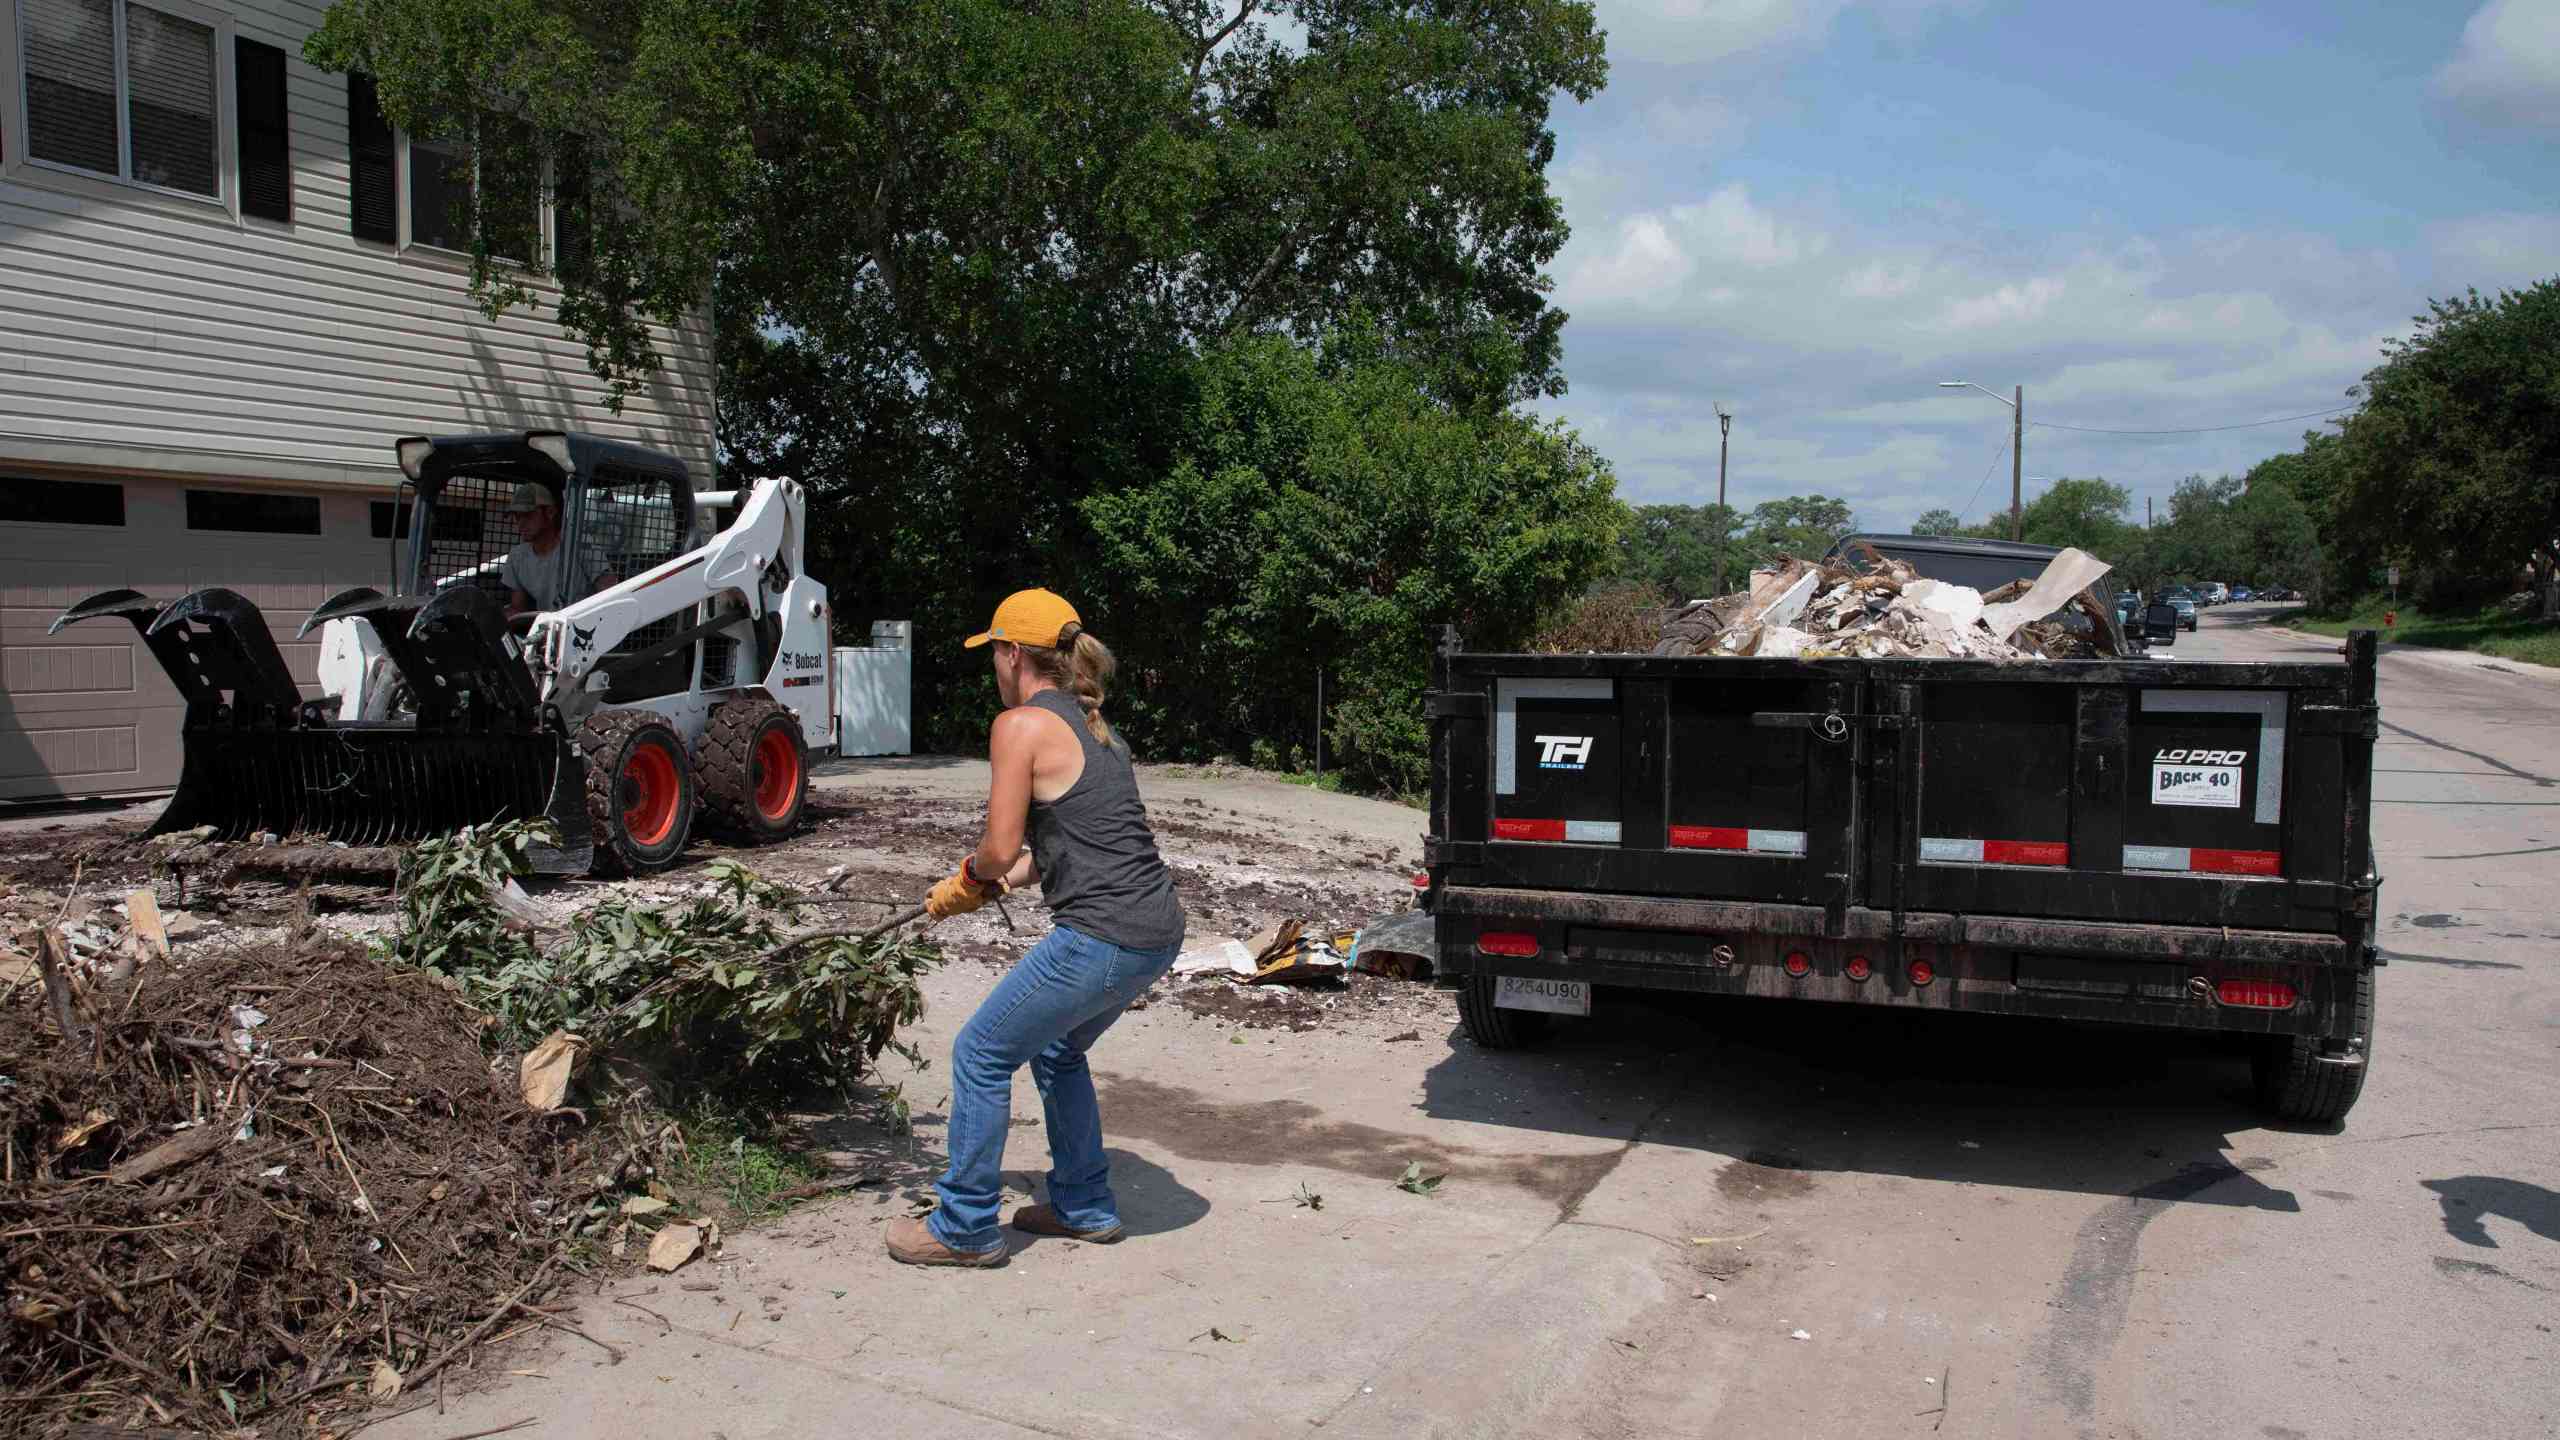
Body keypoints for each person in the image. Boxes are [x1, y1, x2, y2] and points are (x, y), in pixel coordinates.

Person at [886, 588, 1187, 1268]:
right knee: (1056, 1052)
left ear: (1014, 653)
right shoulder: (1098, 728)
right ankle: (1085, 1207)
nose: (992, 665)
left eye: (994, 651)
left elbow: (996, 851)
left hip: (1104, 936)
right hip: (1156, 930)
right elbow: (1051, 855)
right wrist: (989, 881)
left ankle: (962, 1228)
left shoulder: (1018, 727)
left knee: (981, 1052)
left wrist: (968, 879)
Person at [497, 482, 612, 616]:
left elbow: (610, 594)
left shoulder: (580, 544)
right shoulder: (517, 557)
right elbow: (517, 608)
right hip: (549, 630)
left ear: (550, 512)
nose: (520, 523)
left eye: (528, 515)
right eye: (517, 516)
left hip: (585, 629)